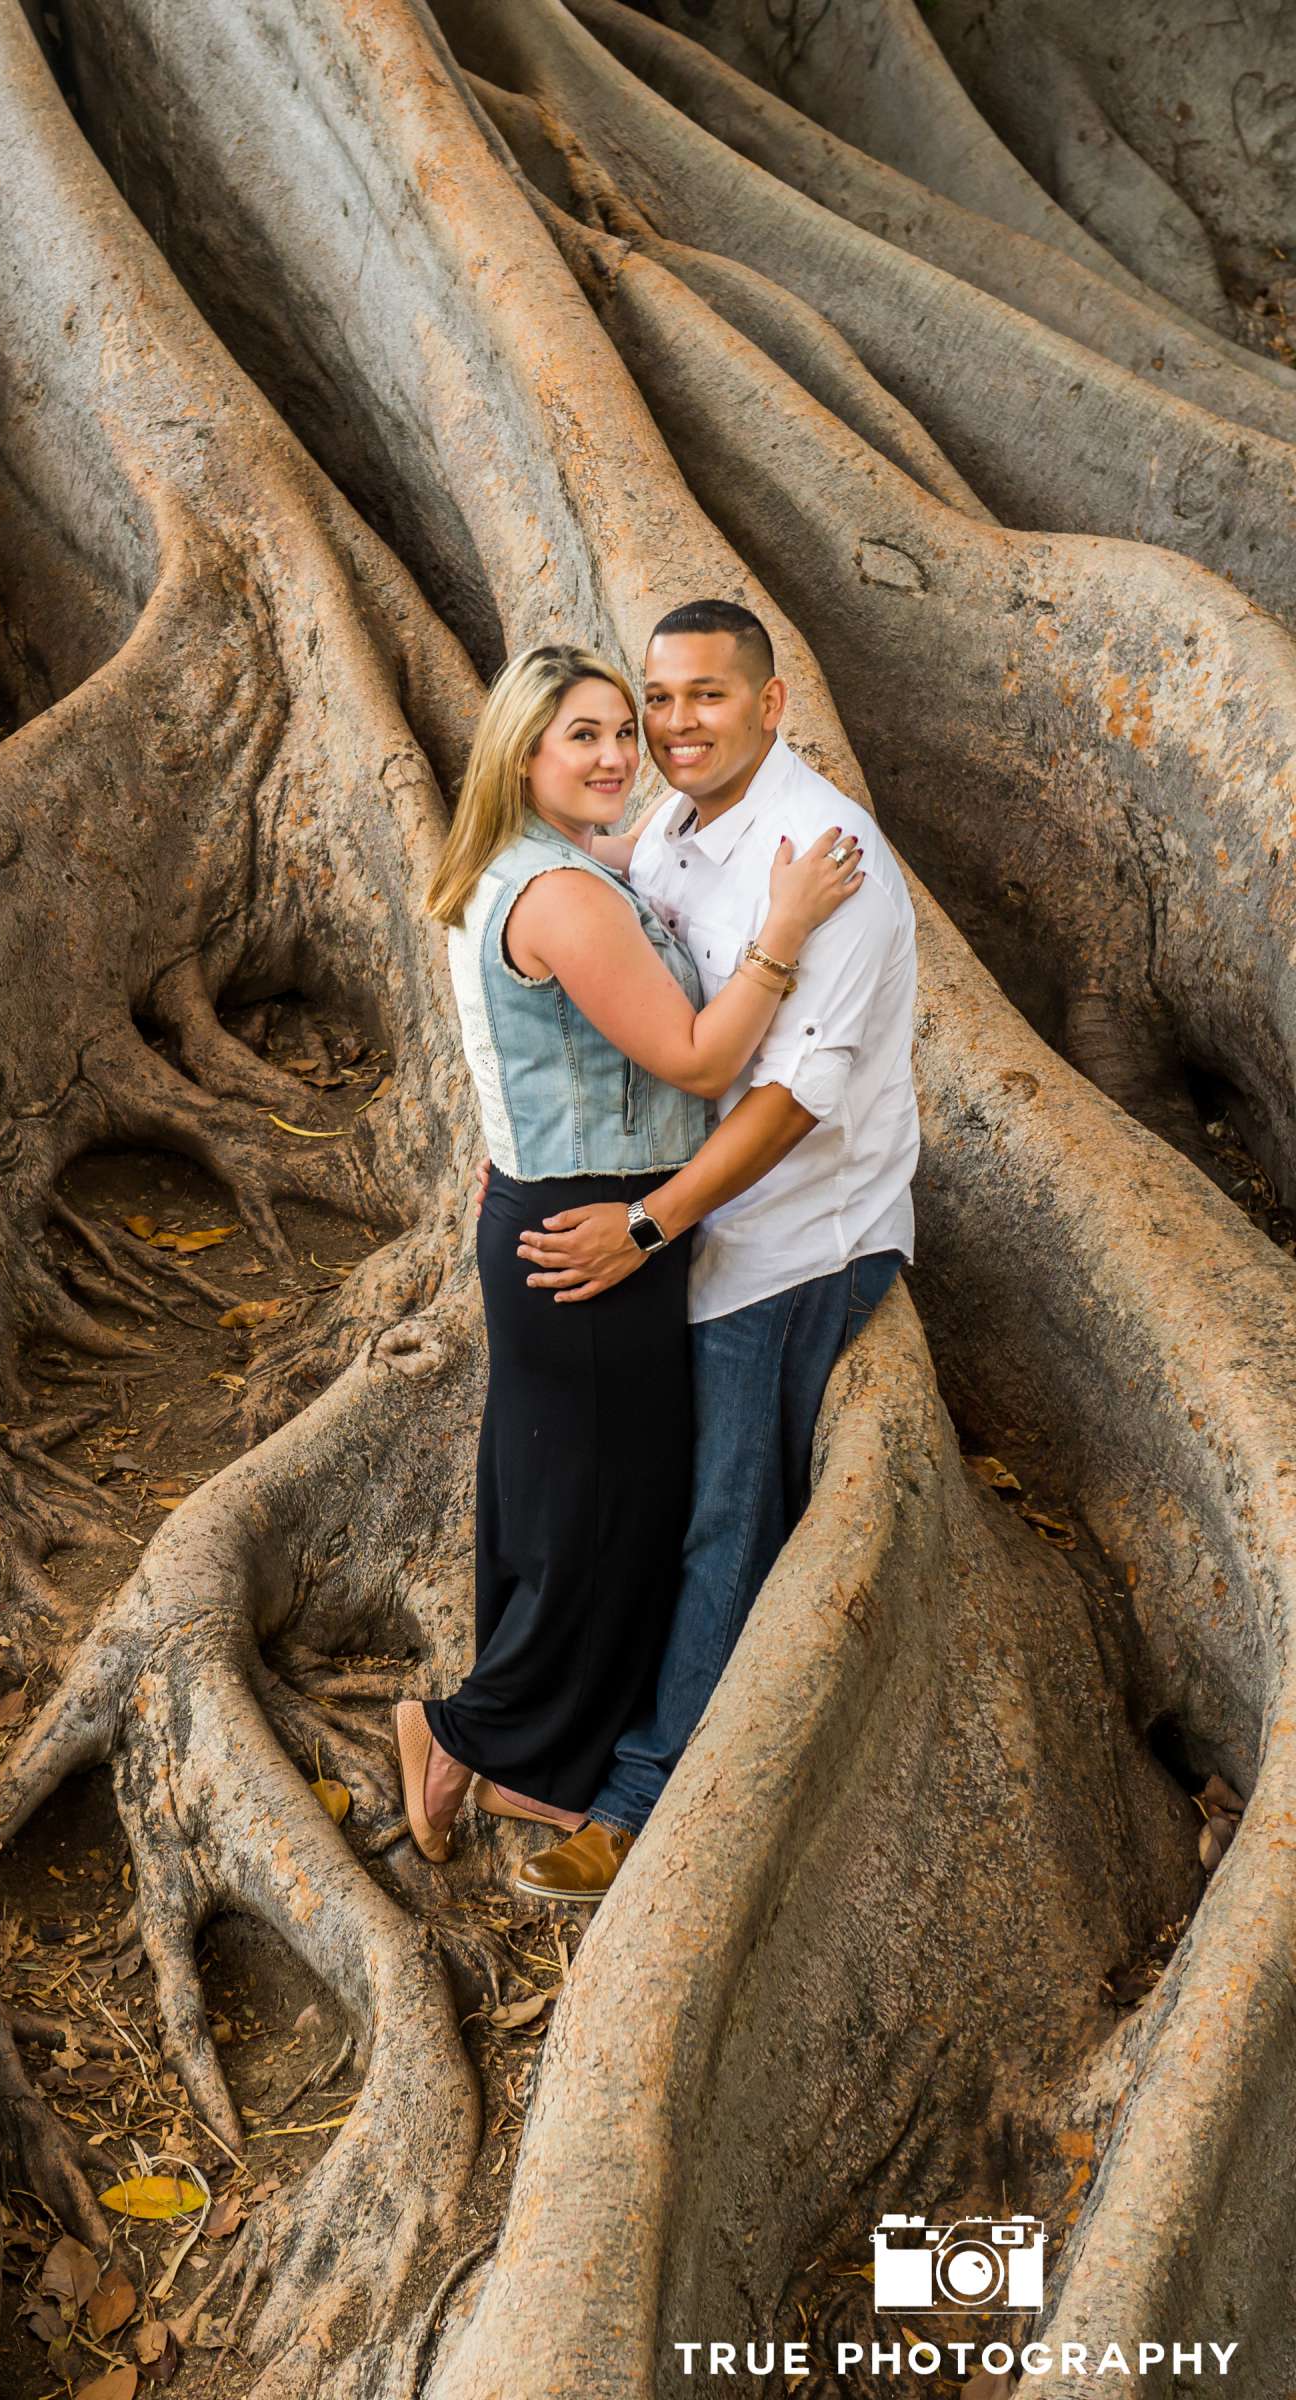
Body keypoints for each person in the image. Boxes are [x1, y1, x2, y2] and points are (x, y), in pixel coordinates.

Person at [394, 640, 862, 1864]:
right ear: (524, 754)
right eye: (583, 737)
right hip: (597, 1239)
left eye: (620, 729)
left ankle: (511, 1752)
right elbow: (703, 1060)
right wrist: (784, 928)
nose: (616, 755)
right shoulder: (560, 896)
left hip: (556, 1216)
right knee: (605, 1515)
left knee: (557, 1503)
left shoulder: (531, 866)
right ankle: (466, 1734)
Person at [512, 599, 919, 1903]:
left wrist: (645, 1224)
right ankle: (566, 1732)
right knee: (622, 1488)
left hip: (790, 1242)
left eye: (707, 698)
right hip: (680, 1228)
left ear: (771, 702)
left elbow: (791, 1100)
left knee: (726, 1516)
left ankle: (642, 1803)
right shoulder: (675, 834)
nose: (678, 725)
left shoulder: (831, 860)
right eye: (661, 699)